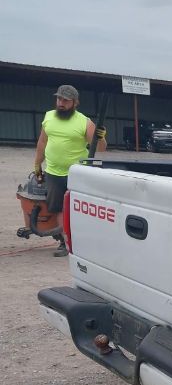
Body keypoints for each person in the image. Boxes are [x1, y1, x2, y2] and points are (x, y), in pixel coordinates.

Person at [33, 85, 107, 256]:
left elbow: (100, 148)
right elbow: (42, 143)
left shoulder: (84, 122)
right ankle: (65, 243)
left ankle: (82, 242)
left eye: (65, 100)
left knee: (78, 209)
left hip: (78, 173)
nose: (61, 103)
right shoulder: (49, 117)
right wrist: (37, 164)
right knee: (58, 208)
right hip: (53, 172)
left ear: (75, 102)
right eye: (59, 99)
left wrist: (101, 136)